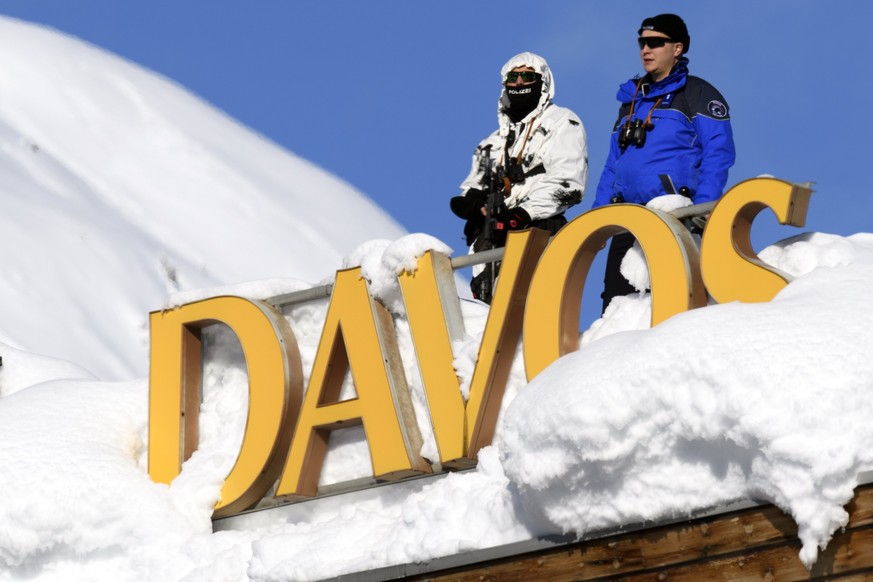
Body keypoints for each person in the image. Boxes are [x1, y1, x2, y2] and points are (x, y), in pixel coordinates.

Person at [593, 14, 736, 313]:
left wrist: (704, 206)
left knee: (671, 307)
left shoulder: (697, 94)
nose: (646, 49)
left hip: (673, 215)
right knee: (615, 311)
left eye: (656, 43)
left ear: (677, 47)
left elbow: (718, 152)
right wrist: (596, 219)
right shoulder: (630, 102)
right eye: (643, 43)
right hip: (625, 218)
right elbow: (612, 164)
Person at [451, 52, 588, 303]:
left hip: (538, 230)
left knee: (535, 308)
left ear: (543, 82)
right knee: (489, 310)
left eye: (528, 76)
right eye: (513, 77)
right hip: (490, 240)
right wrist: (473, 203)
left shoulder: (562, 122)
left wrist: (520, 215)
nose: (520, 83)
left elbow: (568, 183)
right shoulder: (493, 142)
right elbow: (472, 185)